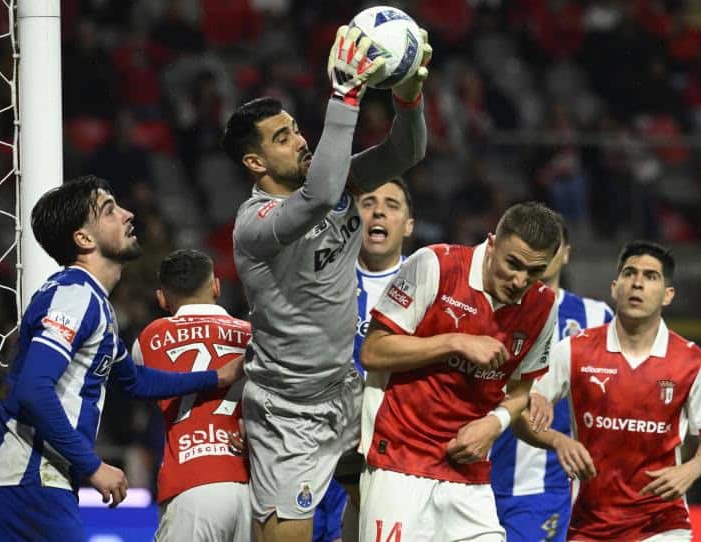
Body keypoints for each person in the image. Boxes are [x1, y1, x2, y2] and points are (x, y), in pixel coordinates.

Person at [224, 24, 431, 542]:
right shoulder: (256, 224)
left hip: (347, 388)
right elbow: (315, 200)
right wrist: (344, 98)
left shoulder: (340, 182)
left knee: (380, 516)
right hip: (289, 410)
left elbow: (407, 152)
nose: (299, 139)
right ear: (255, 163)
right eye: (282, 138)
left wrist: (409, 98)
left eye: (295, 128)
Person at [0, 176, 243, 542]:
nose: (127, 215)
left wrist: (216, 377)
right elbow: (33, 389)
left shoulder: (93, 303)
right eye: (110, 210)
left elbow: (135, 382)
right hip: (27, 484)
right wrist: (93, 466)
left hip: (12, 485)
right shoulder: (74, 296)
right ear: (84, 239)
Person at [358, 201, 561, 542]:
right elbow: (373, 351)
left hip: (469, 473)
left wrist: (493, 424)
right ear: (492, 244)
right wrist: (454, 341)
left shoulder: (542, 305)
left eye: (534, 271)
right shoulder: (436, 264)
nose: (519, 280)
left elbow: (522, 390)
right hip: (399, 460)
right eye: (513, 263)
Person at [517, 241, 701, 541]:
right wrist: (557, 440)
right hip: (589, 523)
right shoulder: (574, 350)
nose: (637, 283)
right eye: (630, 273)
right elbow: (520, 413)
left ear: (668, 295)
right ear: (615, 287)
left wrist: (690, 470)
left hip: (661, 522)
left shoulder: (692, 361)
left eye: (650, 276)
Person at [490, 214, 613, 542]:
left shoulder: (597, 317)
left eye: (550, 244)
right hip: (475, 472)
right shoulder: (491, 306)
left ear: (566, 253)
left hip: (544, 485)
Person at [313, 178, 416, 542]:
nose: (379, 211)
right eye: (369, 201)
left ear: (408, 225)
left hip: (385, 454)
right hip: (315, 444)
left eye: (392, 204)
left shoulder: (425, 287)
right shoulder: (319, 279)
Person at [131, 249, 251, 542]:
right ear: (216, 287)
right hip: (252, 485)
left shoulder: (149, 338)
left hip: (191, 481)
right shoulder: (252, 336)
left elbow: (139, 389)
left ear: (161, 298)